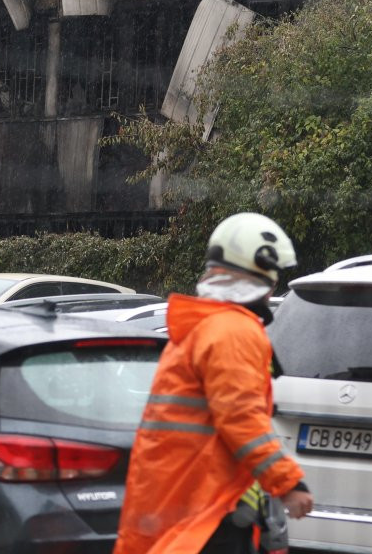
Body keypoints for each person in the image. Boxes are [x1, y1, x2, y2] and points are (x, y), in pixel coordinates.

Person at [114, 212, 314, 554]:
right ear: (262, 274)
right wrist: (288, 482)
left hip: (187, 495)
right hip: (208, 507)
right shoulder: (232, 332)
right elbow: (240, 418)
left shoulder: (206, 327)